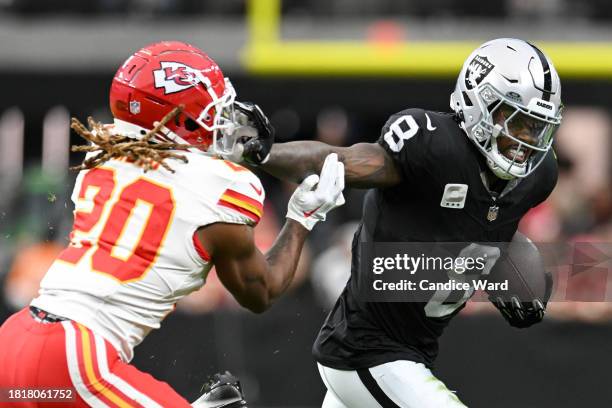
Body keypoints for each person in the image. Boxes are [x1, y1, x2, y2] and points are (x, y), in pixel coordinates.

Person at [0, 41, 345, 408]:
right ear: (177, 118)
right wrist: (303, 217)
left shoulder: (101, 163)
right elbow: (261, 291)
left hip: (15, 341)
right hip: (77, 356)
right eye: (213, 110)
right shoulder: (220, 187)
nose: (223, 119)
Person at [235, 38, 562, 407]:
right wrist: (263, 152)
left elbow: (487, 223)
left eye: (536, 129)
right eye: (515, 123)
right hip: (367, 351)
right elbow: (340, 160)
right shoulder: (433, 145)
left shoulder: (538, 176)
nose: (525, 142)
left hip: (410, 353)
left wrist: (514, 265)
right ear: (479, 104)